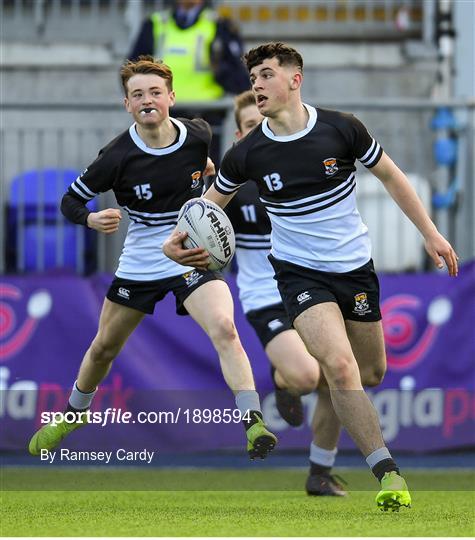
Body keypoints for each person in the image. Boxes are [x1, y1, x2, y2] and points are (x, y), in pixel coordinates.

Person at [163, 42, 459, 510]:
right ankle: (389, 476)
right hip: (299, 276)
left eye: (265, 75)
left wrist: (430, 233)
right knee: (338, 368)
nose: (256, 85)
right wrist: (174, 240)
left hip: (355, 271)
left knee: (371, 372)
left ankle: (322, 464)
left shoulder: (342, 128)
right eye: (253, 78)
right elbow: (206, 208)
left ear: (294, 79)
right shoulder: (248, 153)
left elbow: (393, 176)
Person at [28, 55, 277, 461]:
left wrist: (207, 180)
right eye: (137, 94)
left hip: (191, 252)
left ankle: (252, 422)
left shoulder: (197, 133)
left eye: (155, 92)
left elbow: (207, 167)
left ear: (171, 97)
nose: (147, 100)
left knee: (225, 329)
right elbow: (69, 200)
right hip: (141, 259)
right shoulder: (116, 155)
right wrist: (91, 217)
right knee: (104, 347)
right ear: (127, 104)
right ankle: (74, 413)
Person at [227, 90, 346, 496]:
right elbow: (201, 238)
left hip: (316, 284)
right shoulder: (226, 186)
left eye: (261, 123)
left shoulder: (301, 165)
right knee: (307, 375)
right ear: (237, 136)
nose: (256, 131)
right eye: (248, 127)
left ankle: (320, 472)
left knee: (340, 377)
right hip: (266, 295)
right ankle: (283, 383)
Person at [129, 0, 250, 163]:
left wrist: (221, 69)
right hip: (164, 116)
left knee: (204, 176)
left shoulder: (220, 26)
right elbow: (132, 72)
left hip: (206, 117)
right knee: (163, 173)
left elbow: (239, 78)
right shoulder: (155, 24)